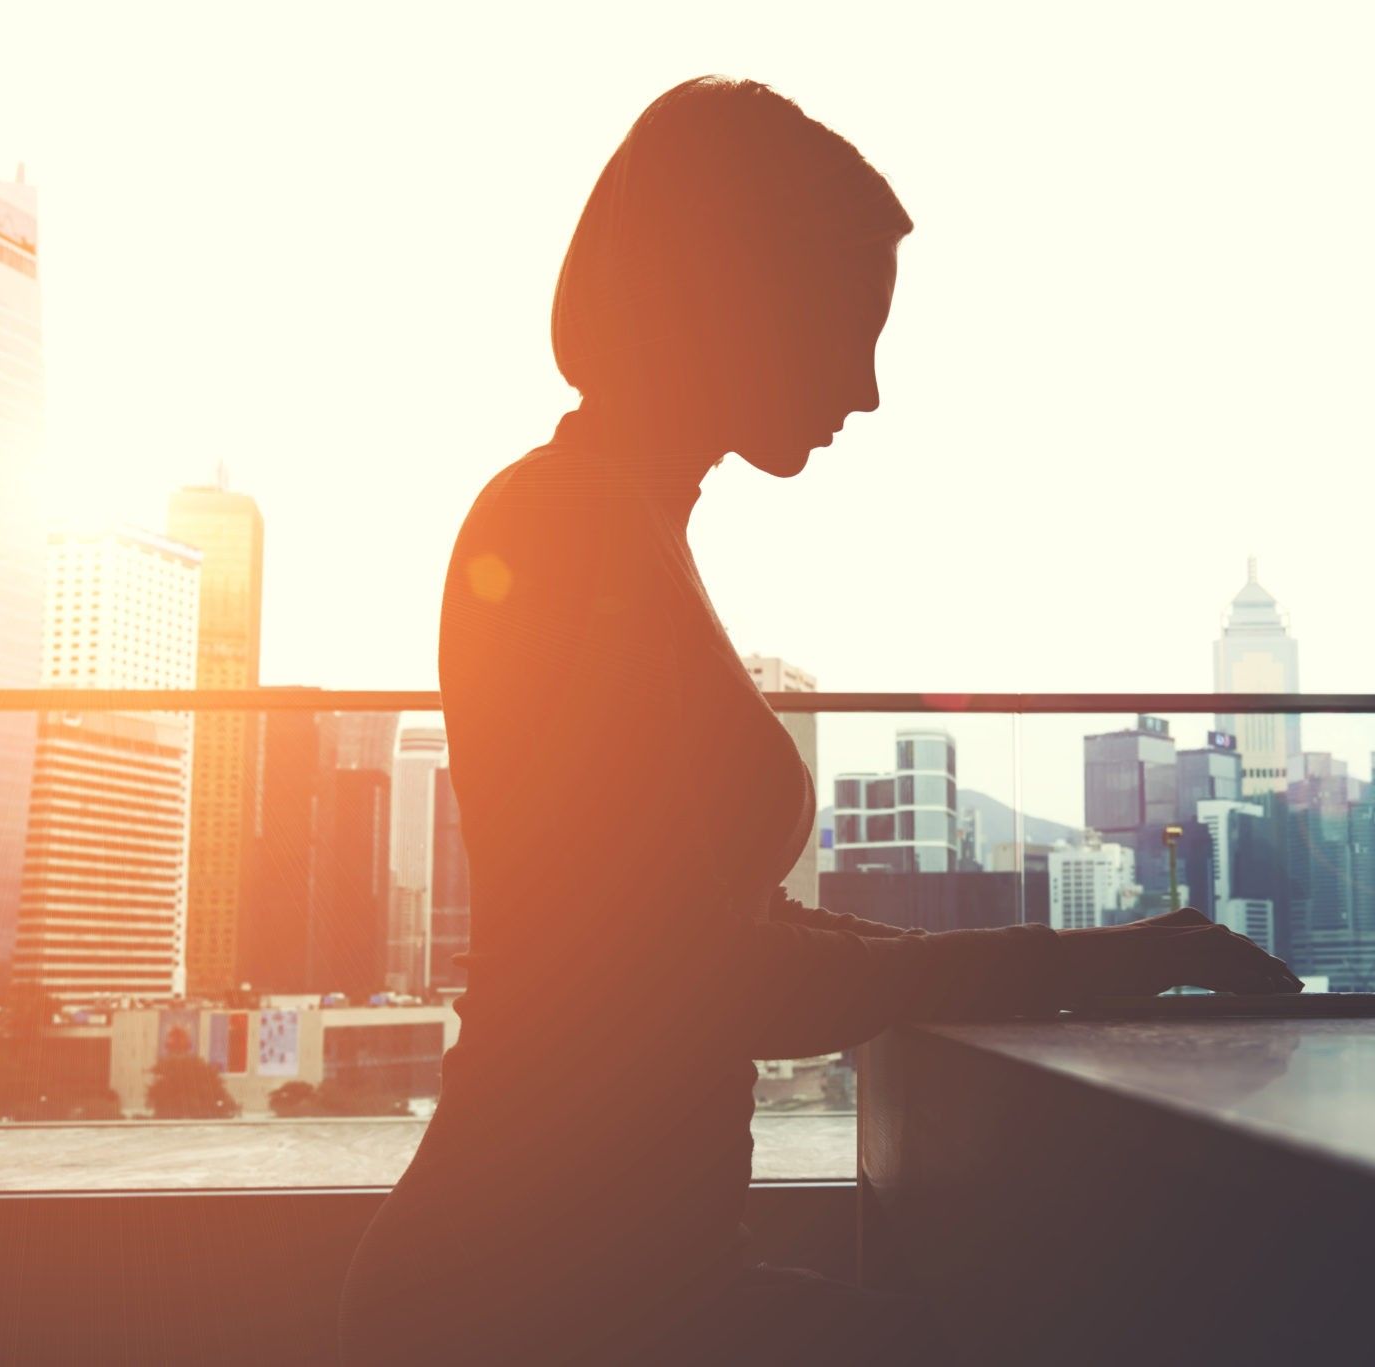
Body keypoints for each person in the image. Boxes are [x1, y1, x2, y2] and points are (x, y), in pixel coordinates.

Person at [338, 76, 1302, 1366]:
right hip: (550, 1306)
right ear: (729, 308)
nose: (866, 389)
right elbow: (705, 978)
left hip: (588, 1279)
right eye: (846, 326)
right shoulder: (567, 538)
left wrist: (1108, 947)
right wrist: (1101, 961)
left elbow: (709, 925)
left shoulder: (604, 521)